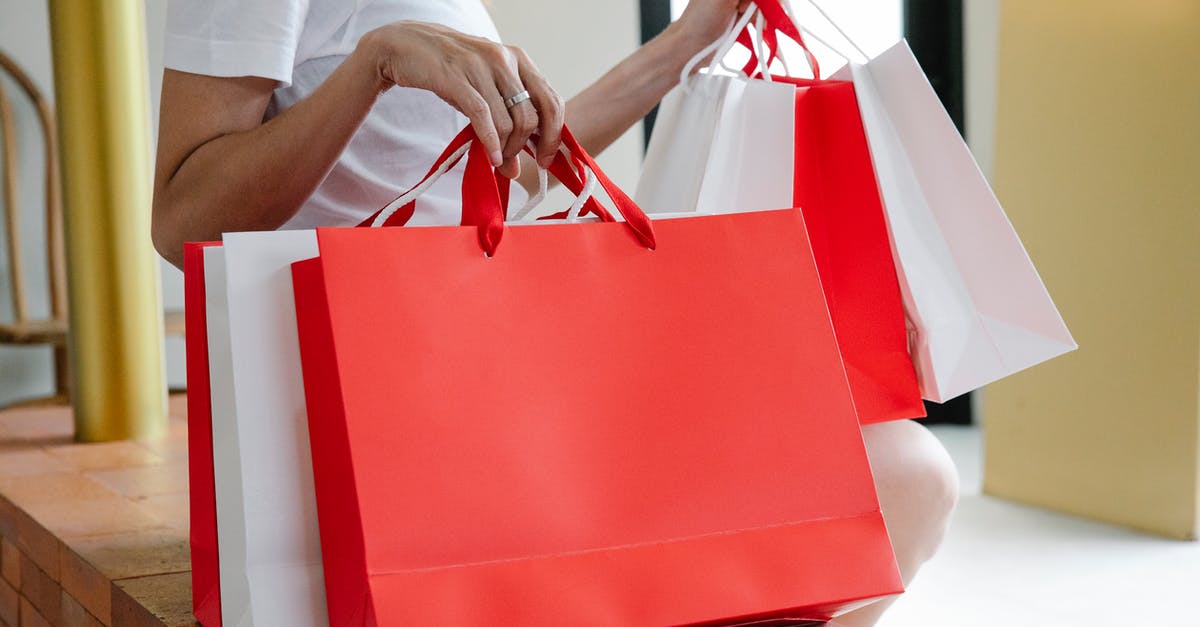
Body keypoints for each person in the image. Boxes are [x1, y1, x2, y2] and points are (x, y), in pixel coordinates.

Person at [152, 2, 958, 624]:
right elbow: (183, 217)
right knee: (891, 482)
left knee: (907, 478)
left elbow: (514, 164)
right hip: (391, 406)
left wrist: (691, 39)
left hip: (477, 368)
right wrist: (374, 65)